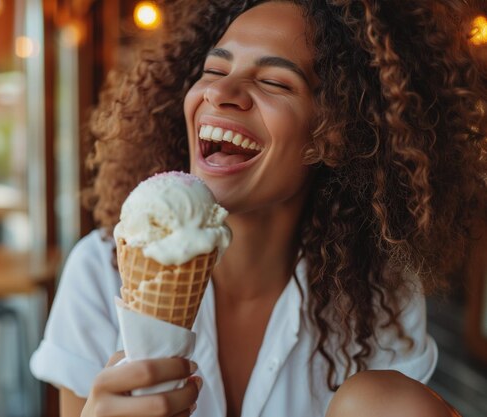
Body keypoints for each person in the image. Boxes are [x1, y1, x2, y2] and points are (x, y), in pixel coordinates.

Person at [30, 0, 487, 416]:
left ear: (333, 134)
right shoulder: (101, 269)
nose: (222, 93)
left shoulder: (380, 292)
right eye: (212, 71)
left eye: (273, 81)